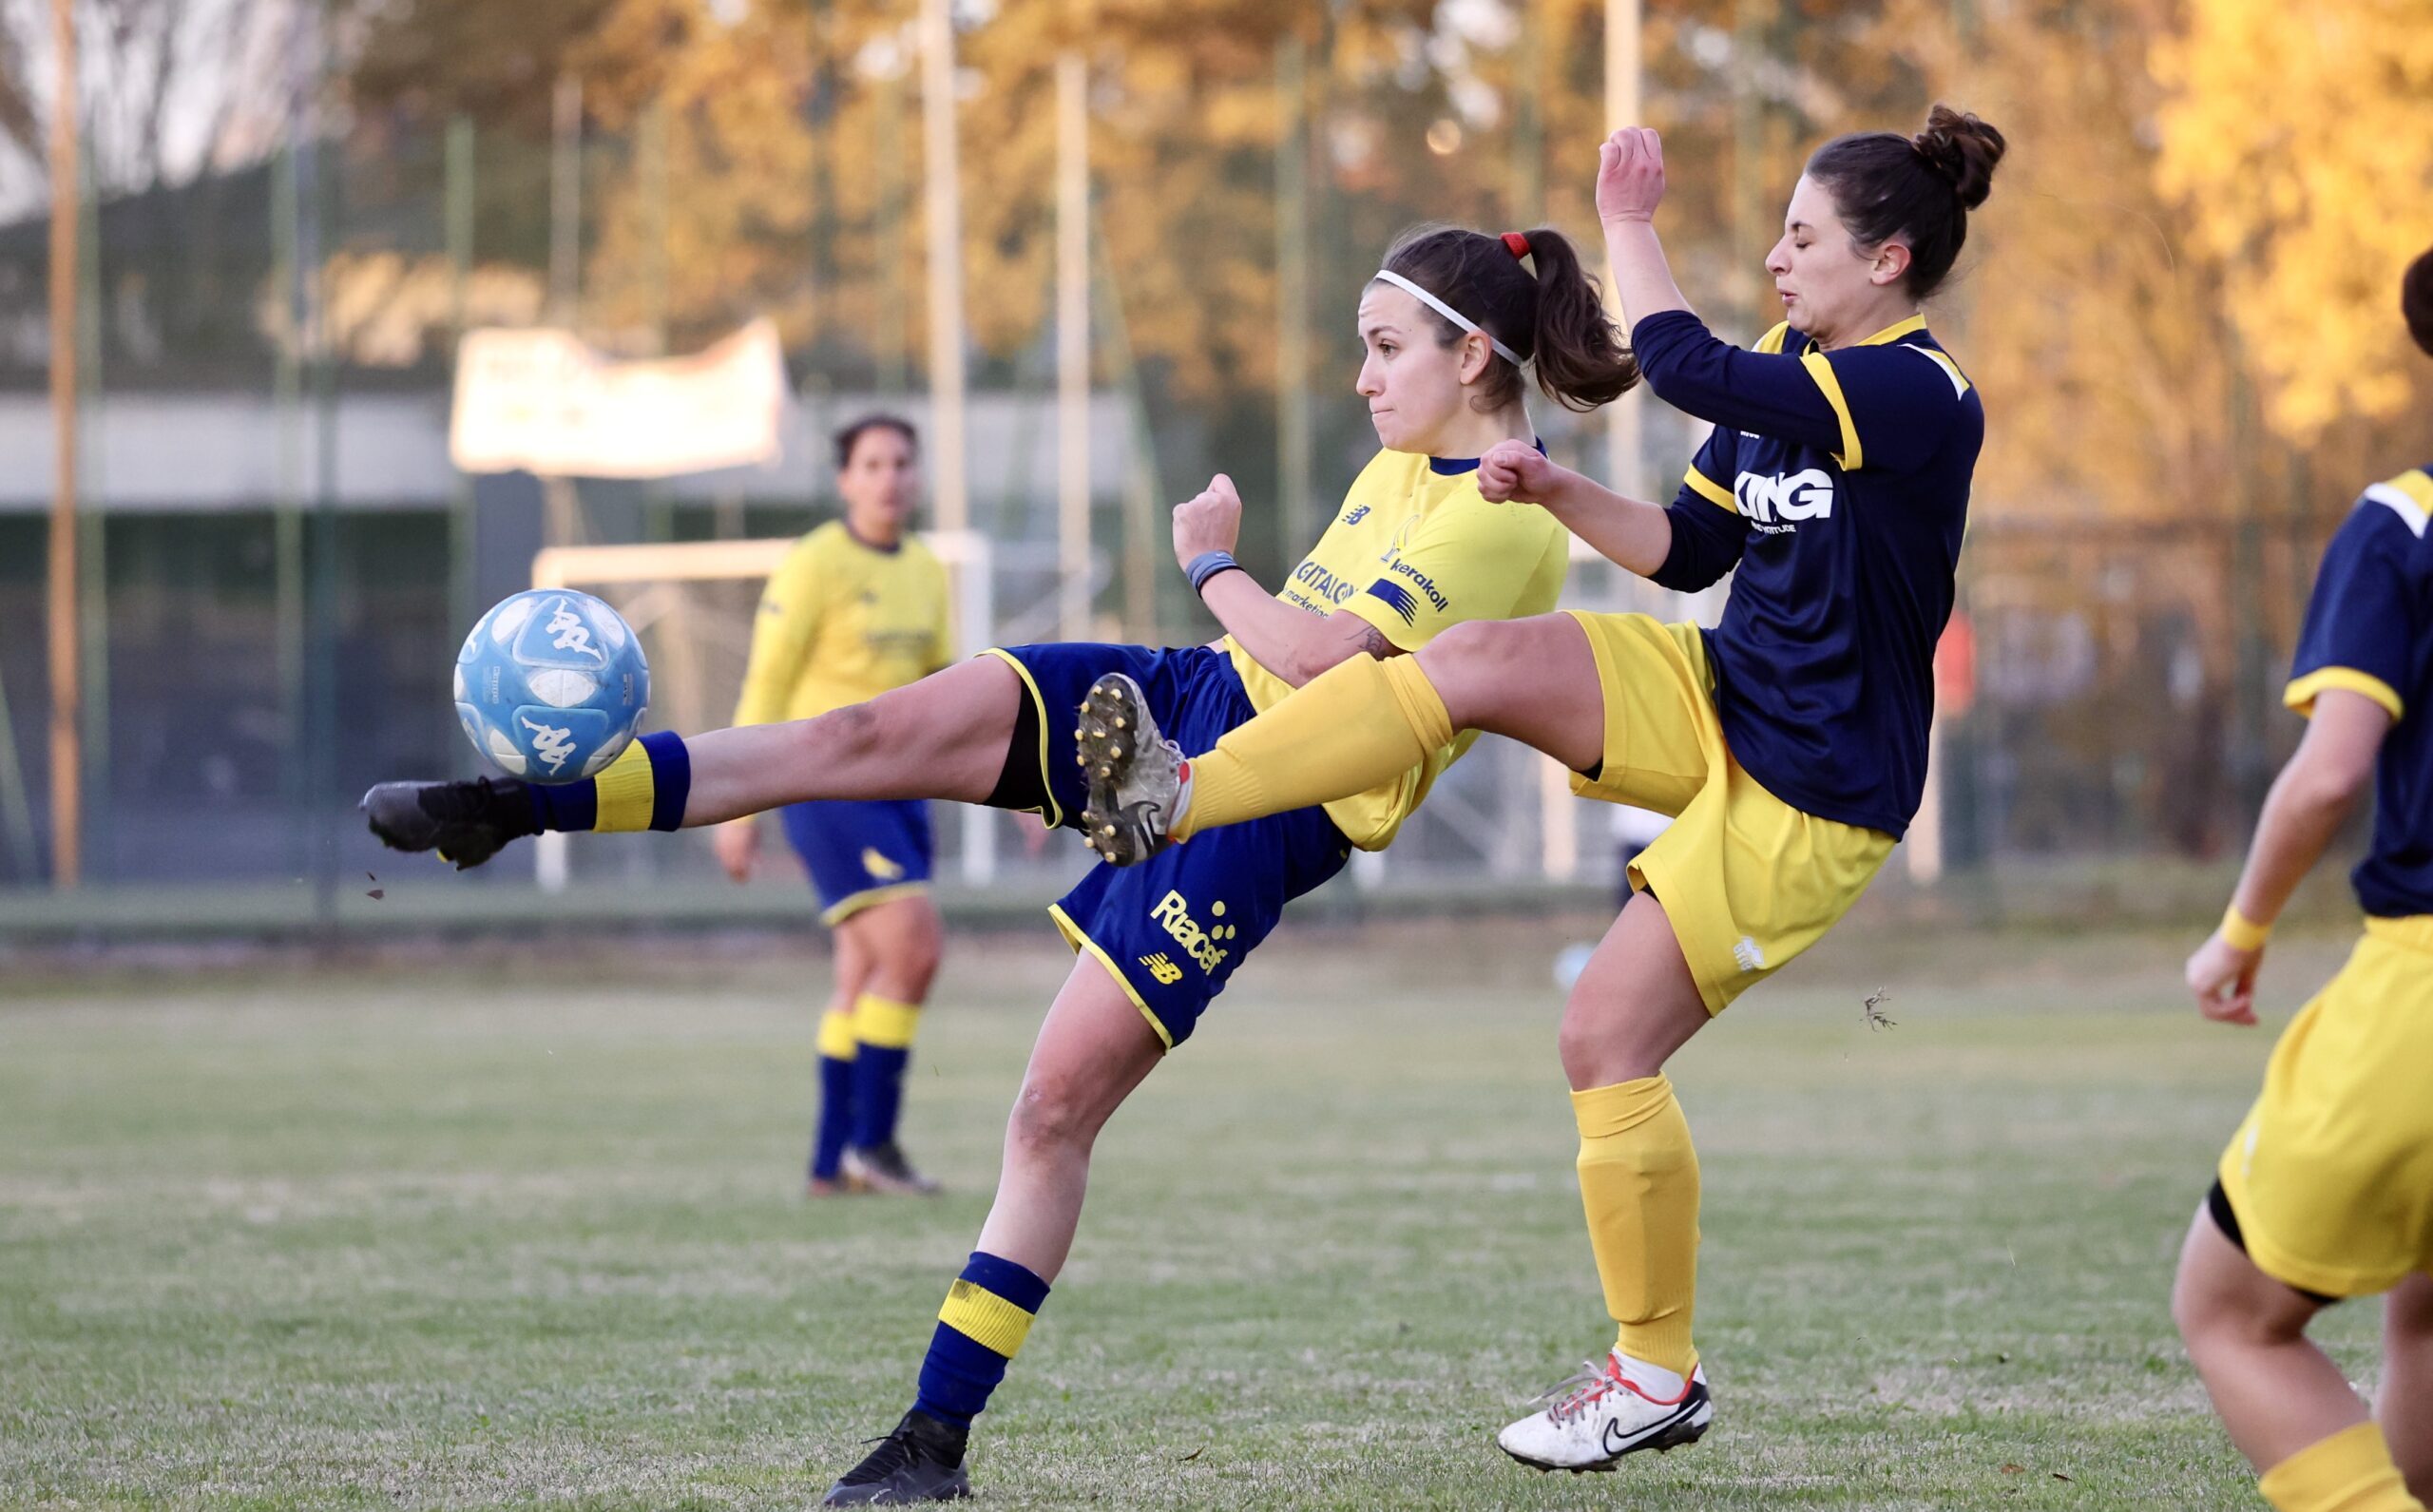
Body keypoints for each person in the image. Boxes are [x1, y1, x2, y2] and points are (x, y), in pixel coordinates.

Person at [362, 219, 1638, 1503]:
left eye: (1383, 347)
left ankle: (932, 1441)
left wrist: (1210, 558)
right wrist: (1216, 605)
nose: (1362, 375)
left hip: (1261, 805)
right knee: (859, 732)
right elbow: (1281, 644)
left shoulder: (1506, 509)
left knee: (1048, 1111)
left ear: (1473, 353)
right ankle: (518, 803)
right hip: (1182, 692)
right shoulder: (1401, 464)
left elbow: (1318, 663)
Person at [1080, 107, 2003, 1474]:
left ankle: (1653, 1371)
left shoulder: (1917, 392)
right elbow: (1691, 550)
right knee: (1473, 661)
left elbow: (1677, 360)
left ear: (1892, 256)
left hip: (1818, 787)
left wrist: (1626, 213)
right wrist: (1557, 489)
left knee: (1599, 1040)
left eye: (1804, 237)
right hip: (1723, 693)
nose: (1778, 256)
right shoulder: (1799, 364)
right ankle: (1179, 791)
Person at [2170, 245, 2433, 1512]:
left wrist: (2241, 930)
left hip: (2422, 991)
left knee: (2229, 1309)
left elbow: (2330, 775)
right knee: (2424, 1302)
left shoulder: (2406, 521)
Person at [721, 414, 954, 1197]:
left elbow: (951, 689)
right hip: (829, 787)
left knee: (861, 972)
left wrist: (1023, 792)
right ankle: (873, 1147)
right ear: (844, 480)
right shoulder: (814, 563)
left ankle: (831, 1163)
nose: (889, 477)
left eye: (901, 463)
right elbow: (767, 681)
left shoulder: (925, 568)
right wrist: (737, 807)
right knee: (914, 949)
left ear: (916, 477)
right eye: (872, 464)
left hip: (902, 791)